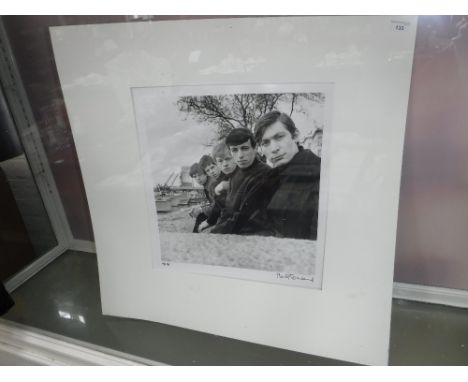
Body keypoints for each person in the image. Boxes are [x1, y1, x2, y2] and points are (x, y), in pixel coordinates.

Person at [234, 111, 321, 240]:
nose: (274, 148)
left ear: (295, 135)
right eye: (266, 143)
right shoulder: (272, 176)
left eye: (279, 137)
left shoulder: (319, 175)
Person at [211, 128, 269, 234]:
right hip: (235, 231)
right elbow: (227, 210)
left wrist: (214, 234)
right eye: (234, 150)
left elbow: (244, 218)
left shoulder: (264, 174)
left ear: (255, 148)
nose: (240, 155)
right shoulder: (236, 173)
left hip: (253, 236)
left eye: (245, 148)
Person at [197, 141, 237, 231]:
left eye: (212, 167)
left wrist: (210, 221)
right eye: (208, 171)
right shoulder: (219, 181)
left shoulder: (223, 179)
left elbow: (219, 205)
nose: (211, 171)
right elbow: (218, 203)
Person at [188, 162, 212, 233]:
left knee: (201, 215)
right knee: (200, 216)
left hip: (223, 215)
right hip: (219, 212)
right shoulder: (207, 184)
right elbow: (213, 203)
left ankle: (195, 235)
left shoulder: (211, 185)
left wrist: (201, 209)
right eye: (195, 176)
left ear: (205, 173)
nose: (198, 178)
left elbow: (217, 206)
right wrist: (199, 207)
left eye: (199, 175)